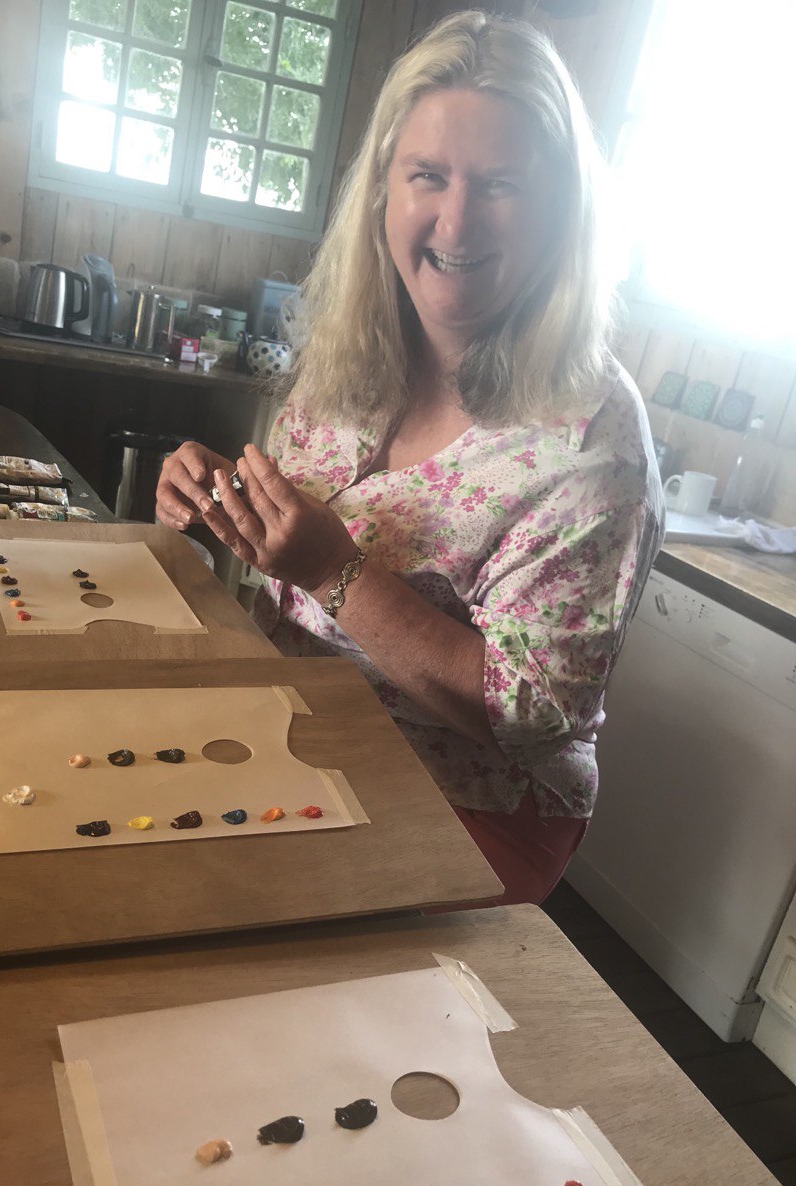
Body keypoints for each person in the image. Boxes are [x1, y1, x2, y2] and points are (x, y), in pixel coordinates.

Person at [156, 13, 663, 905]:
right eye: (428, 175)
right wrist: (226, 504)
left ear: (560, 214)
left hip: (471, 804)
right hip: (290, 725)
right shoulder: (350, 350)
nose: (456, 220)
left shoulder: (594, 442)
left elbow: (532, 713)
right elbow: (293, 563)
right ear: (382, 190)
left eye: (501, 184)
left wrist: (336, 572)